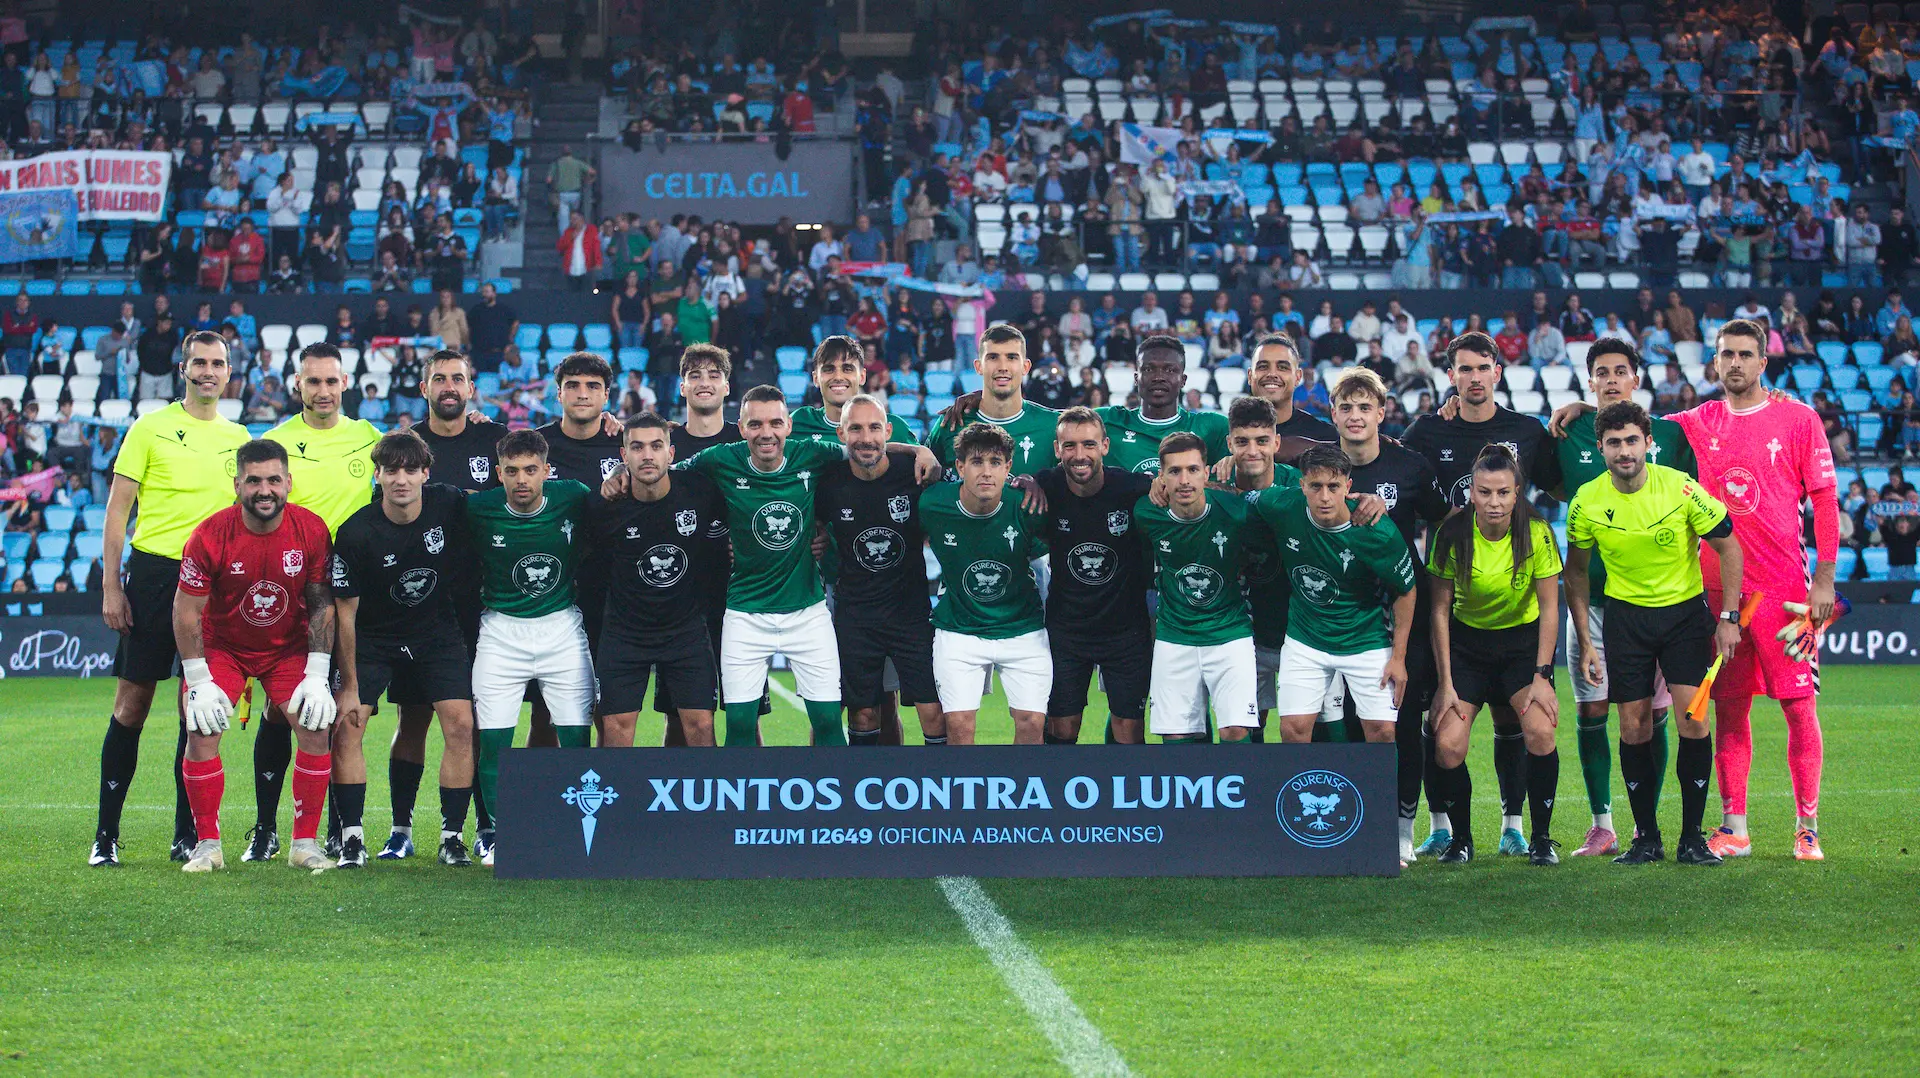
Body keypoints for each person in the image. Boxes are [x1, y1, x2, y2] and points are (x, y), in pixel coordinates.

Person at [1553, 319, 1841, 861]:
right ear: (1714, 362)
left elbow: (1824, 498)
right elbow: (1634, 426)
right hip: (1715, 596)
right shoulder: (1696, 422)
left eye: (1745, 355)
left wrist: (1824, 577)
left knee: (1800, 705)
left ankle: (1808, 826)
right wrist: (1585, 409)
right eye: (1726, 355)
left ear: (1763, 362)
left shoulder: (1799, 418)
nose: (1735, 364)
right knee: (1725, 707)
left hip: (1786, 593)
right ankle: (1734, 825)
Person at [671, 385, 935, 746]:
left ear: (788, 426)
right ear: (742, 427)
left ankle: (835, 798)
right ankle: (743, 802)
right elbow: (666, 474)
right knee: (740, 725)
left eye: (776, 422)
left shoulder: (811, 453)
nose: (766, 433)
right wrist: (625, 474)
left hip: (807, 612)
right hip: (746, 614)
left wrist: (919, 449)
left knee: (828, 719)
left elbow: (865, 449)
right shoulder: (719, 459)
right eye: (755, 424)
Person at [91, 331, 251, 868]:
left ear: (229, 372)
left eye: (218, 363)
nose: (209, 371)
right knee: (132, 705)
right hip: (157, 575)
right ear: (184, 368)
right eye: (200, 362)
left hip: (215, 582)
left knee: (198, 712)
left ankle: (189, 834)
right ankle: (106, 835)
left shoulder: (240, 437)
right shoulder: (150, 428)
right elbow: (118, 511)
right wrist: (113, 585)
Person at [1565, 401, 1745, 866]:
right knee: (1633, 726)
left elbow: (1729, 546)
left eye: (1631, 441)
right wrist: (1586, 639)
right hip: (1626, 620)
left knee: (1694, 721)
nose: (1623, 451)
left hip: (1684, 617)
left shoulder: (1682, 489)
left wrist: (1729, 618)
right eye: (1613, 443)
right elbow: (1578, 572)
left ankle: (1692, 839)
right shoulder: (1586, 501)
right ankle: (1646, 838)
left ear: (1648, 443)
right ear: (1601, 449)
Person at [1404, 331, 1563, 858]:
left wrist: (1581, 411)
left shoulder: (1526, 431)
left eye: (1483, 368)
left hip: (1515, 628)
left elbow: (1567, 481)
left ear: (1498, 371)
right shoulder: (1428, 430)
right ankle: (1446, 829)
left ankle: (1521, 829)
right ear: (1450, 375)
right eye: (1464, 369)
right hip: (1455, 611)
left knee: (1521, 724)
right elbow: (1391, 467)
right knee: (1441, 726)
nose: (1474, 378)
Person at [1550, 338, 1697, 857]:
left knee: (1652, 717)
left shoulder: (1673, 438)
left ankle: (1645, 825)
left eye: (1621, 370)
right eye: (1601, 373)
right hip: (1591, 603)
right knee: (1592, 713)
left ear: (1637, 377)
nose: (1611, 379)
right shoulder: (1566, 436)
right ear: (1589, 381)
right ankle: (1601, 823)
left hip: (1657, 606)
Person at [173, 439, 336, 873]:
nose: (264, 490)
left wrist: (319, 673)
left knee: (316, 727)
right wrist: (199, 680)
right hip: (223, 648)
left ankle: (304, 845)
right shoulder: (209, 534)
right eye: (253, 481)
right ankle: (207, 845)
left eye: (273, 480)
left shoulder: (312, 530)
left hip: (288, 648)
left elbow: (321, 604)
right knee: (201, 731)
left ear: (288, 483)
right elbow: (185, 611)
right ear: (237, 485)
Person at [327, 430, 477, 867]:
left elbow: (495, 502)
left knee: (460, 725)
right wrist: (350, 686)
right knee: (350, 723)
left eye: (411, 470)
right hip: (375, 638)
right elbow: (346, 615)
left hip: (436, 633)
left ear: (425, 474)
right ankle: (352, 838)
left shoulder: (449, 502)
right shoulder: (356, 531)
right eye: (391, 471)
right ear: (377, 476)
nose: (401, 480)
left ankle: (452, 837)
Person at [260, 342, 382, 856]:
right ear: (298, 385)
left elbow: (414, 459)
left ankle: (335, 828)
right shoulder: (275, 441)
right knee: (276, 710)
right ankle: (265, 830)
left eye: (332, 381)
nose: (324, 391)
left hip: (353, 595)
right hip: (293, 594)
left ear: (345, 383)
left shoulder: (370, 438)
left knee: (340, 714)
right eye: (314, 382)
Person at [1329, 367, 1450, 862]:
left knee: (1401, 722)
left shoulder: (1411, 467)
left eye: (1365, 408)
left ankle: (1402, 828)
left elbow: (1443, 521)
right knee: (1351, 722)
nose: (1355, 416)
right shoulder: (1323, 467)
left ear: (1382, 413)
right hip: (1343, 610)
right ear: (1333, 414)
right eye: (1346, 407)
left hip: (1405, 611)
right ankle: (1356, 821)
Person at [1427, 446, 1565, 865]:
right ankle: (1461, 840)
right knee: (1447, 746)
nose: (1494, 502)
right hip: (1468, 649)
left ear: (1517, 492)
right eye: (1485, 492)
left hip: (1521, 650)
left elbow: (1548, 608)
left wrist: (1542, 675)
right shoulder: (1452, 534)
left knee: (1541, 732)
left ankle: (1541, 839)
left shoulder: (1537, 531)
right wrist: (1446, 683)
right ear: (1472, 492)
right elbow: (1438, 610)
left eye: (1503, 492)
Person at [464, 429, 596, 865]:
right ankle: (503, 836)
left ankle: (577, 833)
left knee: (576, 735)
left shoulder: (573, 496)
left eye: (531, 470)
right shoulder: (477, 508)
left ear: (546, 471)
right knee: (495, 741)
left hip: (562, 630)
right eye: (513, 471)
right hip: (501, 633)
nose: (522, 480)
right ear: (498, 473)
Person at [1252, 445, 1417, 745]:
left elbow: (1406, 590)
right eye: (1315, 486)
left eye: (1333, 486)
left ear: (1348, 487)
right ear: (1301, 485)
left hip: (1364, 638)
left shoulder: (1377, 530)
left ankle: (1373, 793)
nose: (1324, 497)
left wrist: (1399, 657)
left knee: (1382, 732)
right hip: (1306, 640)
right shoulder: (1280, 504)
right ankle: (1292, 791)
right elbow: (1235, 496)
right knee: (1293, 729)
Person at [588, 413, 727, 748]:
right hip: (625, 632)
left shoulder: (701, 491)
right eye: (636, 447)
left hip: (686, 631)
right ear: (624, 456)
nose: (647, 455)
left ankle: (703, 802)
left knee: (701, 726)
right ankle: (618, 799)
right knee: (616, 730)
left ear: (671, 453)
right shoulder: (604, 507)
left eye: (656, 446)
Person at [814, 396, 944, 746]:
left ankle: (942, 791)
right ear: (841, 433)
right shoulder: (829, 483)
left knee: (932, 710)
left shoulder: (914, 474)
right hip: (856, 613)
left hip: (911, 612)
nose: (866, 437)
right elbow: (810, 521)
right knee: (863, 712)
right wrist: (816, 535)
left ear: (888, 431)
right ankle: (863, 791)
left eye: (874, 427)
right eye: (855, 428)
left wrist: (920, 451)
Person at [919, 422, 1051, 745]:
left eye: (995, 462)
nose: (986, 472)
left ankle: (1022, 793)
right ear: (960, 467)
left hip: (1022, 627)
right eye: (977, 462)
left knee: (1032, 725)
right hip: (959, 629)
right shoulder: (932, 504)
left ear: (1009, 468)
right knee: (960, 729)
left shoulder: (1028, 506)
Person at [1033, 406, 1156, 745]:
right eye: (1069, 446)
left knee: (1129, 731)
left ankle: (1126, 797)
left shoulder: (1132, 488)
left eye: (1088, 444)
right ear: (1058, 450)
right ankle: (1057, 796)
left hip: (1125, 631)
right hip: (1067, 630)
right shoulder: (1045, 485)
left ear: (1105, 445)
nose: (1079, 455)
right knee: (1062, 728)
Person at [1134, 431, 1261, 743]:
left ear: (1206, 473)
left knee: (1234, 730)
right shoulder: (1146, 513)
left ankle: (1239, 792)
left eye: (1192, 470)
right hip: (1174, 637)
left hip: (1229, 634)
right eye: (1174, 471)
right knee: (1176, 736)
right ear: (1161, 477)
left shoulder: (1237, 511)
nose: (1185, 480)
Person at [924, 324, 1061, 477]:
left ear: (1025, 367)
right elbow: (919, 471)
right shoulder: (951, 423)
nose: (1002, 367)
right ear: (978, 367)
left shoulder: (1053, 425)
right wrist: (915, 449)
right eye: (993, 357)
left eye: (1011, 357)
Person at [1093, 335, 1230, 474]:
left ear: (1183, 380)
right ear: (1136, 378)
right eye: (1148, 369)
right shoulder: (1104, 421)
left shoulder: (1213, 428)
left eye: (1170, 370)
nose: (1158, 377)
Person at [789, 335, 915, 445]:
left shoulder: (896, 429)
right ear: (816, 378)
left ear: (862, 376)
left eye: (847, 369)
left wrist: (920, 450)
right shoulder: (799, 423)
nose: (838, 377)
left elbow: (929, 465)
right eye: (828, 369)